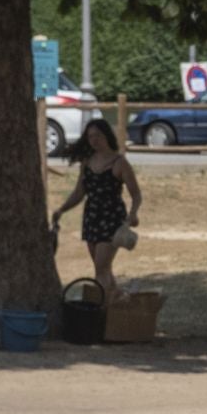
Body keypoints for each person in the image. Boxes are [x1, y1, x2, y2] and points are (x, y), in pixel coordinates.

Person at [49, 120, 142, 299]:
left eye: (98, 135)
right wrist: (62, 210)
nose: (94, 140)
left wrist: (133, 214)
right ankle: (120, 300)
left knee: (101, 268)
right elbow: (79, 192)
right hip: (91, 217)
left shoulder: (119, 162)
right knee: (103, 268)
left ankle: (101, 307)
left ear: (107, 135)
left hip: (112, 219)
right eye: (90, 136)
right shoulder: (87, 162)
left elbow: (136, 194)